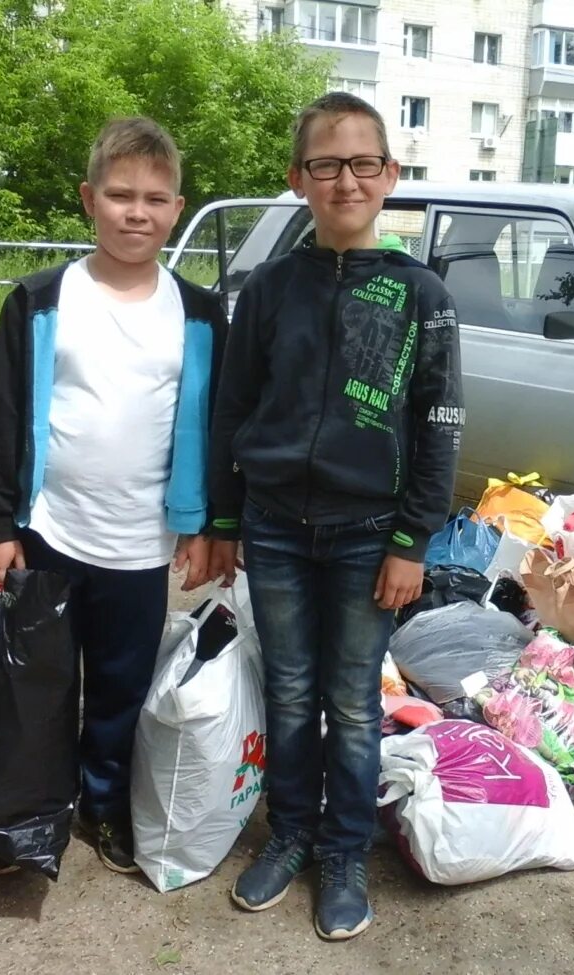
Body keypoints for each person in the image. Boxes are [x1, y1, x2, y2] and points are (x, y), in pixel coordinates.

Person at [206, 91, 464, 941]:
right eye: (326, 164)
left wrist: (411, 540)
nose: (345, 180)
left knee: (352, 701)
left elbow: (439, 425)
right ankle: (290, 833)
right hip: (277, 526)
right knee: (288, 690)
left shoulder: (421, 294)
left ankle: (345, 850)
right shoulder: (270, 288)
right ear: (298, 178)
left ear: (390, 175)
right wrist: (227, 521)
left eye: (362, 163)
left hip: (369, 537)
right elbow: (233, 406)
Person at [0, 116, 227, 876]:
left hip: (141, 544)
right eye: (120, 195)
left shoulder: (200, 313)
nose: (136, 213)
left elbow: (217, 426)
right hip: (47, 533)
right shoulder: (41, 300)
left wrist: (207, 524)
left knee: (120, 688)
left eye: (154, 198)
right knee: (36, 685)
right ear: (89, 199)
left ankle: (104, 804)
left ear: (177, 208)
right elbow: (3, 414)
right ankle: (25, 813)